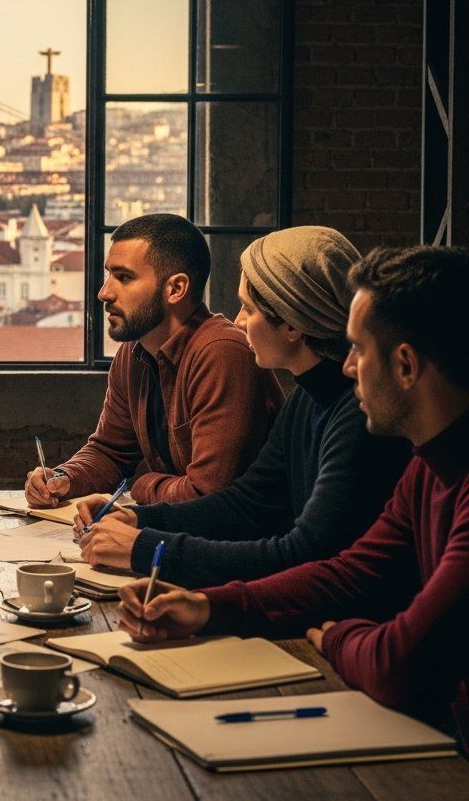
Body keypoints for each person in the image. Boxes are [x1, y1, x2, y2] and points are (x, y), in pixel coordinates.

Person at [118, 245, 469, 742]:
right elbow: (351, 570)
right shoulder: (426, 464)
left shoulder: (408, 450)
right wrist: (207, 607)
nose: (348, 368)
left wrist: (338, 636)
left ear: (406, 366)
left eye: (359, 350)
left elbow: (396, 664)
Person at [71, 227, 409, 581]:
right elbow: (247, 504)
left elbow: (305, 553)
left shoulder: (359, 414)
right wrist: (140, 519)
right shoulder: (307, 399)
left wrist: (146, 549)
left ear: (292, 325)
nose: (238, 322)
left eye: (248, 308)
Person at [25, 214, 283, 507]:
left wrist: (142, 484)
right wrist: (63, 478)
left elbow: (209, 493)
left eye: (124, 277)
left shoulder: (222, 353)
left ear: (176, 289)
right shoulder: (134, 350)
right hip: (187, 534)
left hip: (244, 543)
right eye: (109, 274)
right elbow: (111, 451)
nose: (104, 293)